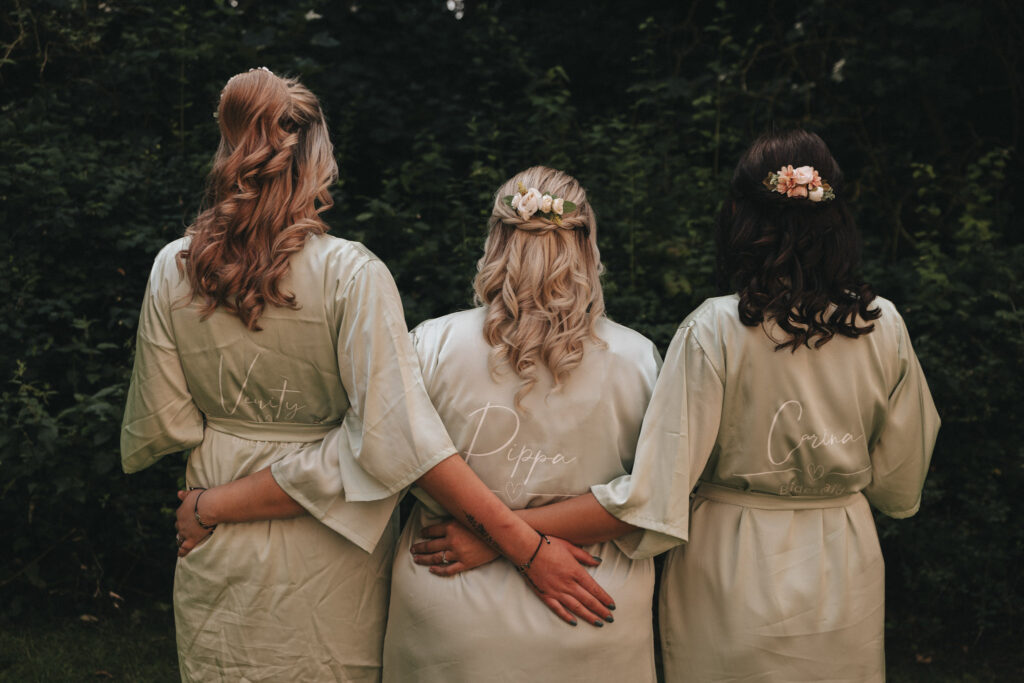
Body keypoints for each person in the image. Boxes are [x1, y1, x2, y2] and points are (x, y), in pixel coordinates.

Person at [120, 69, 613, 682]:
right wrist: (527, 548)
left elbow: (164, 421)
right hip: (327, 541)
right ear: (319, 159)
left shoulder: (174, 267)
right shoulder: (352, 274)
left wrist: (216, 501)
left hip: (212, 527)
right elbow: (387, 442)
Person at [592, 129, 940, 681]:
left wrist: (520, 530)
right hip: (843, 555)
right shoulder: (884, 325)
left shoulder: (715, 328)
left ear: (741, 218)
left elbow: (661, 481)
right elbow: (900, 481)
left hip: (732, 561)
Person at [380, 166, 662, 682]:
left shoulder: (429, 346)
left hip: (452, 605)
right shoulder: (639, 359)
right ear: (587, 243)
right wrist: (525, 545)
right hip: (589, 605)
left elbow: (403, 462)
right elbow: (649, 500)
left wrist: (498, 539)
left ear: (495, 240)